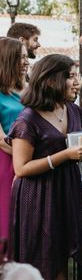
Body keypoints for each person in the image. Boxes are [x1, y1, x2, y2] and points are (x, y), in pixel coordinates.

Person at [7, 54, 82, 280]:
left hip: (65, 191)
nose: (76, 82)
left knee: (64, 252)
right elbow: (21, 168)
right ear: (52, 80)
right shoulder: (28, 119)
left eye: (77, 75)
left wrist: (81, 154)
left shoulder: (74, 111)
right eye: (70, 76)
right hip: (37, 195)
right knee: (42, 255)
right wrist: (65, 155)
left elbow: (73, 149)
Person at [0, 38, 28, 251]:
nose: (26, 61)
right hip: (6, 161)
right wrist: (26, 157)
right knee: (7, 221)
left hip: (29, 160)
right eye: (22, 57)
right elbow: (0, 138)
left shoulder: (26, 89)